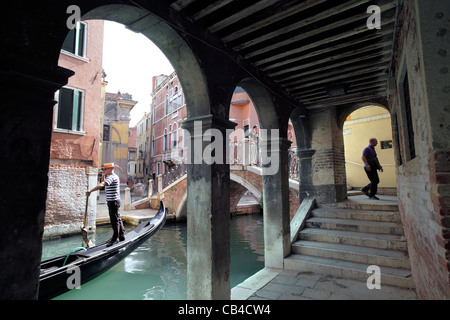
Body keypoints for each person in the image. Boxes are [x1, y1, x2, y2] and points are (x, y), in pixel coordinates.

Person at [86, 162, 125, 246]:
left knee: (114, 220)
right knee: (117, 218)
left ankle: (115, 238)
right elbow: (103, 184)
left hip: (113, 201)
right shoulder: (110, 177)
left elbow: (102, 184)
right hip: (113, 200)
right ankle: (122, 235)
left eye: (105, 169)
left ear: (110, 169)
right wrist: (103, 175)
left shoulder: (112, 177)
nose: (104, 170)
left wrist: (90, 191)